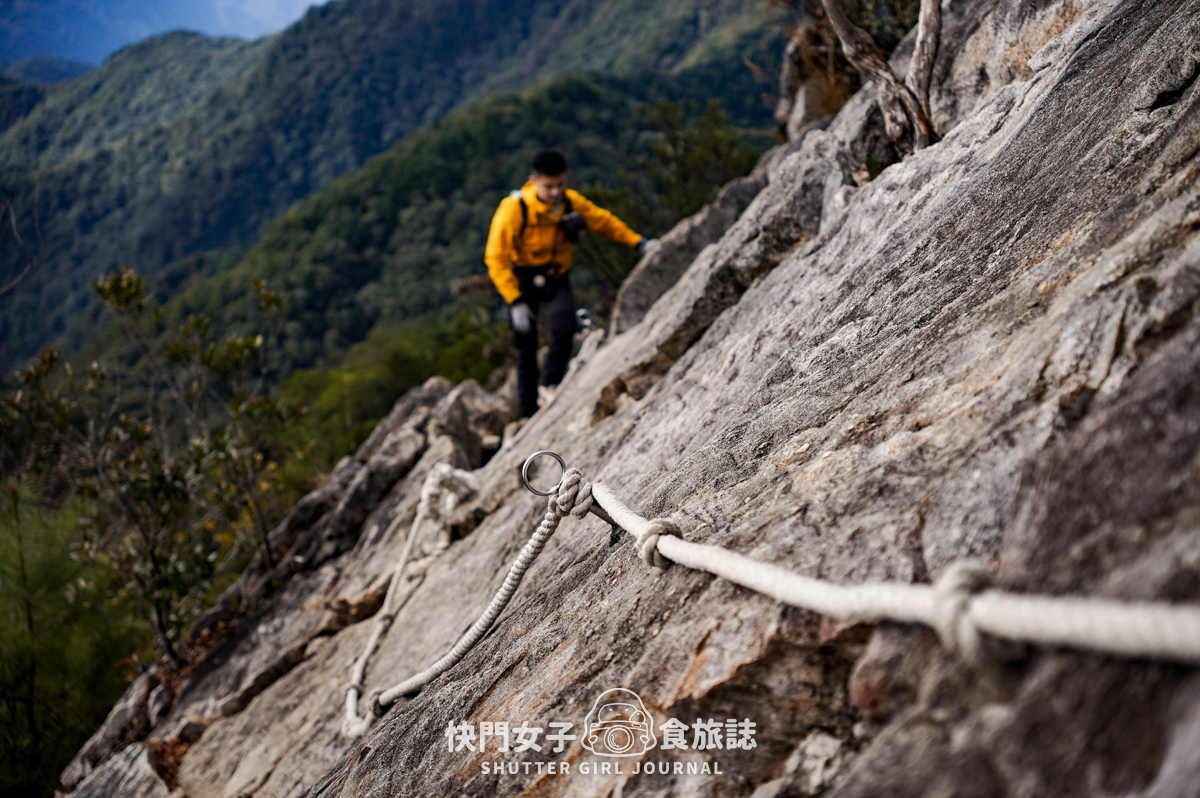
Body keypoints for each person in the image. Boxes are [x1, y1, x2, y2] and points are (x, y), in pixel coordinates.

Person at [485, 148, 658, 419]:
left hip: (555, 275)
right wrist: (514, 299)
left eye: (561, 185)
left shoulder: (570, 202)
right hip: (522, 282)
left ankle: (549, 385)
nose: (556, 192)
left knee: (564, 329)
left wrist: (638, 243)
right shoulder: (514, 210)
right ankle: (528, 410)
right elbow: (496, 258)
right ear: (533, 181)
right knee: (525, 347)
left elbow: (603, 221)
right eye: (549, 186)